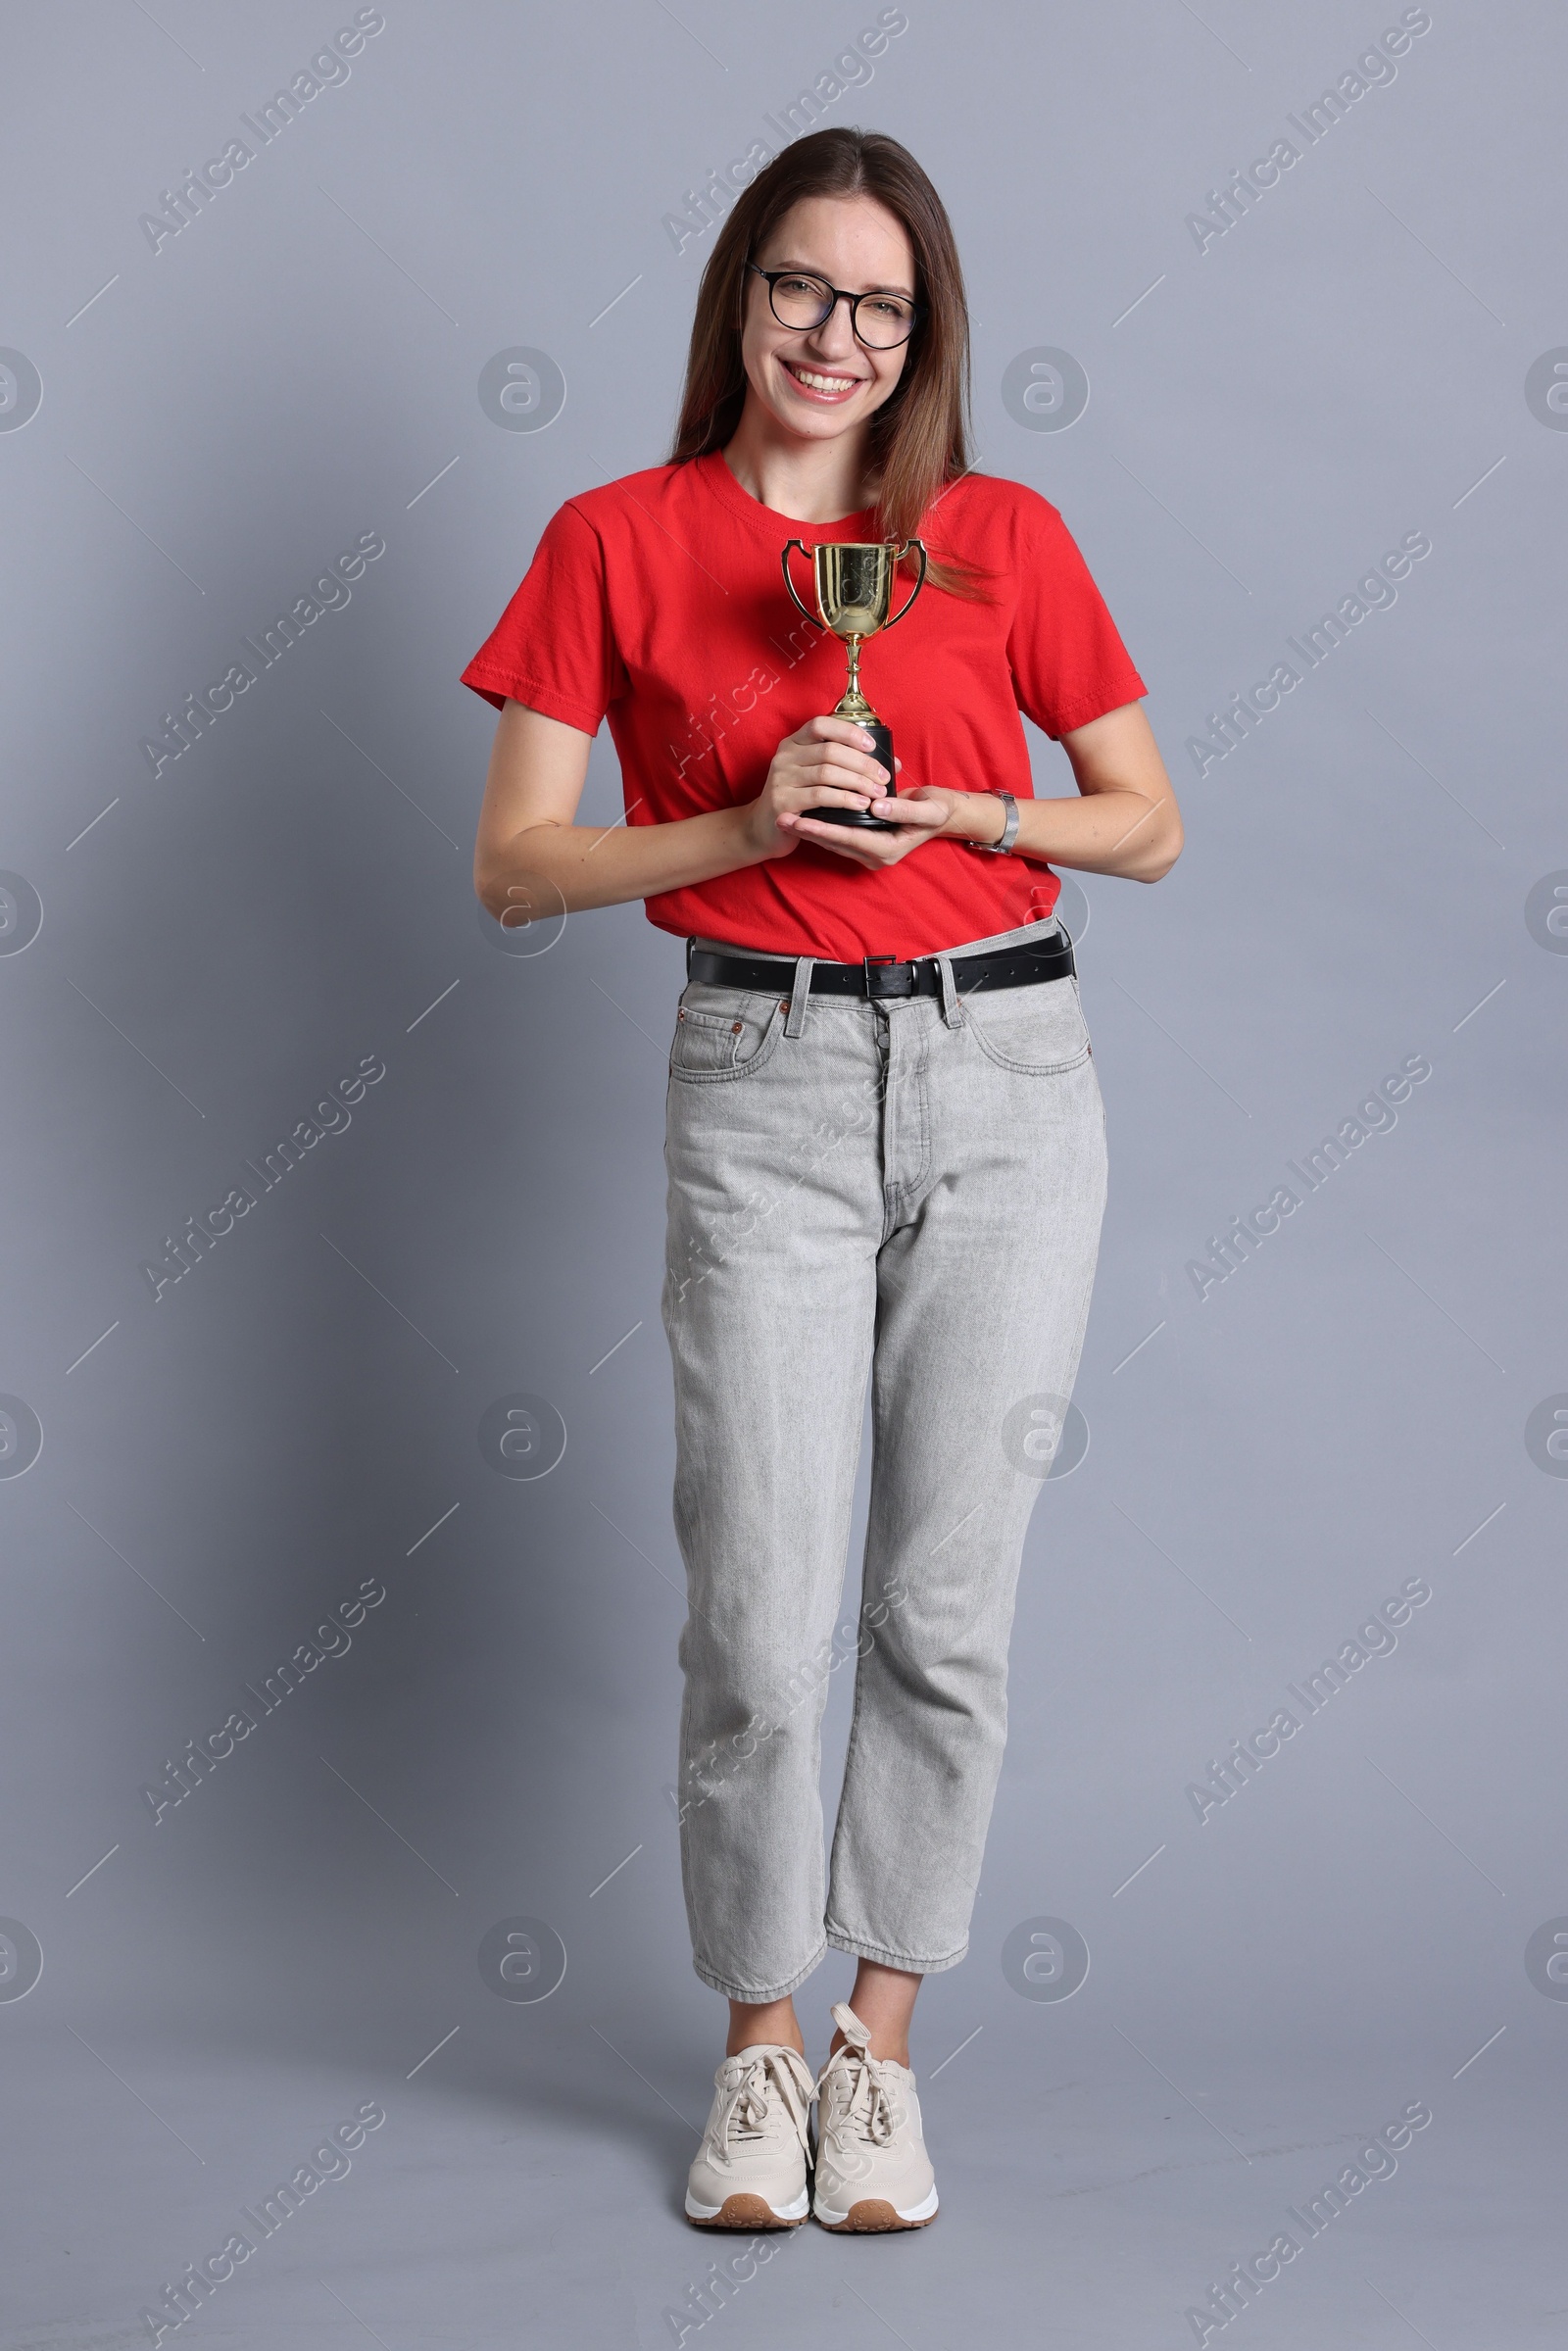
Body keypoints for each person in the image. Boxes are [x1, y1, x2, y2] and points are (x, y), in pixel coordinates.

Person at [465, 125, 1182, 2234]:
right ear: (737, 297)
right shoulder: (615, 533)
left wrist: (977, 808)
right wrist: (746, 824)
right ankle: (753, 2050)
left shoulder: (999, 535)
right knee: (761, 1618)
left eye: (878, 302)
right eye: (800, 287)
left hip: (1009, 1074)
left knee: (943, 1606)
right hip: (758, 1072)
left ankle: (875, 2051)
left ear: (923, 330)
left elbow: (1142, 821)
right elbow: (513, 865)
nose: (835, 335)